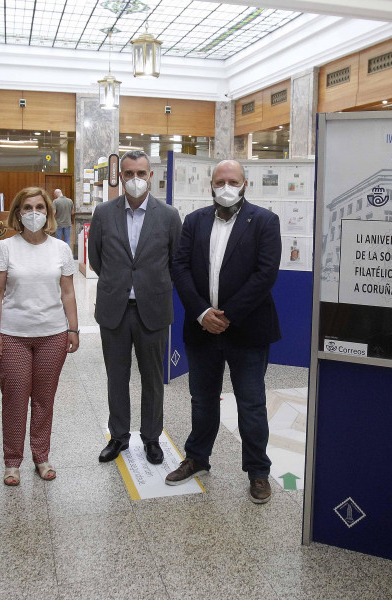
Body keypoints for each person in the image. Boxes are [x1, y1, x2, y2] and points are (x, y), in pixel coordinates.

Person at [166, 159, 282, 504]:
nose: (226, 187)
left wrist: (226, 316)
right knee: (202, 400)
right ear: (210, 186)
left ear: (245, 184)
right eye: (220, 181)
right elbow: (180, 267)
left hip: (247, 330)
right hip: (201, 330)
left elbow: (265, 274)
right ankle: (197, 458)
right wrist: (202, 312)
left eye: (233, 181)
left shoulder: (264, 221)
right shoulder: (195, 221)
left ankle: (258, 472)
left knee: (251, 404)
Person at [88, 150, 182, 465]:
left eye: (141, 173)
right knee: (117, 376)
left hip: (152, 310)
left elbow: (175, 262)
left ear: (150, 176)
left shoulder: (168, 215)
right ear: (120, 177)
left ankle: (152, 438)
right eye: (129, 174)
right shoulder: (103, 212)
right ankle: (118, 437)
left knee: (153, 378)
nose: (135, 180)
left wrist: (146, 284)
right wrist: (120, 283)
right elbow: (96, 259)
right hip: (114, 308)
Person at [0, 187, 80, 486]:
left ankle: (41, 456)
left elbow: (67, 293)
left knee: (44, 399)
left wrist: (73, 328)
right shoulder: (5, 248)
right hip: (13, 334)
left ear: (49, 213)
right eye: (27, 207)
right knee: (15, 398)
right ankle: (12, 461)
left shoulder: (61, 249)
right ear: (17, 213)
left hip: (52, 333)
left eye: (40, 207)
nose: (33, 213)